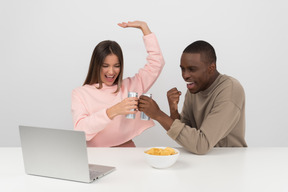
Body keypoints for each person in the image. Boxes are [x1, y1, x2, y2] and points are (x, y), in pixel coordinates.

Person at [138, 40, 247, 155]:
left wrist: (158, 115)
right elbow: (187, 136)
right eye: (182, 69)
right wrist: (173, 109)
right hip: (203, 161)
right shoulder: (195, 89)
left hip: (229, 161)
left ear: (211, 68)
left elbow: (201, 145)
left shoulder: (230, 91)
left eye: (192, 69)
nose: (185, 75)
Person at [71, 21, 164, 147]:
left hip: (126, 150)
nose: (111, 71)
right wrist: (113, 111)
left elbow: (156, 63)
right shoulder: (80, 93)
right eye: (105, 66)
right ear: (96, 65)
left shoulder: (131, 86)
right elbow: (81, 130)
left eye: (116, 66)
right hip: (96, 154)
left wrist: (144, 28)